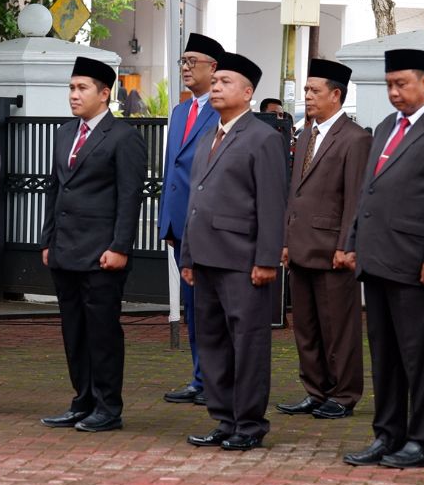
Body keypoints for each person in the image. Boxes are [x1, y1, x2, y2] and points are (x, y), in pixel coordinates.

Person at [342, 48, 424, 469]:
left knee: (422, 358)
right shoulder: (385, 126)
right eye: (389, 85)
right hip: (377, 259)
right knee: (385, 357)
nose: (394, 92)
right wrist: (353, 241)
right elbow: (368, 190)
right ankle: (388, 434)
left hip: (417, 264)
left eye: (402, 84)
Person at [180, 52, 287, 451]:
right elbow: (195, 199)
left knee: (248, 344)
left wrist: (266, 259)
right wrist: (188, 256)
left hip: (243, 260)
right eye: (215, 81)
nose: (216, 87)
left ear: (247, 92)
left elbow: (272, 203)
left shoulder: (263, 137)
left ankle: (250, 424)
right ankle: (224, 419)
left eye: (225, 82)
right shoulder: (209, 135)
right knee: (213, 343)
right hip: (205, 258)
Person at [39, 56, 147, 432]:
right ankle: (82, 400)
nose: (74, 94)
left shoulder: (123, 137)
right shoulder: (65, 133)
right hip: (65, 250)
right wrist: (48, 239)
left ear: (104, 94)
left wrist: (120, 247)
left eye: (82, 88)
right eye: (71, 87)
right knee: (73, 331)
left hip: (102, 253)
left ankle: (107, 406)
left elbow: (130, 197)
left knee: (102, 332)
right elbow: (55, 188)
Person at [277, 58, 370, 420]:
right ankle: (315, 391)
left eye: (315, 90)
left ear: (336, 95)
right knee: (306, 327)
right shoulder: (304, 135)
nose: (308, 96)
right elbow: (294, 192)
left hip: (333, 249)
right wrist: (286, 240)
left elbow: (356, 198)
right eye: (306, 90)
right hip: (301, 245)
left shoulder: (356, 138)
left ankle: (344, 394)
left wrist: (347, 245)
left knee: (338, 329)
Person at [158, 33, 225, 407]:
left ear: (213, 68)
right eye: (182, 61)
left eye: (191, 61)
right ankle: (200, 377)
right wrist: (166, 220)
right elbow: (171, 168)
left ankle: (216, 379)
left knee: (211, 306)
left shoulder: (222, 109)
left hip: (209, 226)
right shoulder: (180, 111)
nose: (185, 68)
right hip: (180, 225)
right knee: (193, 307)